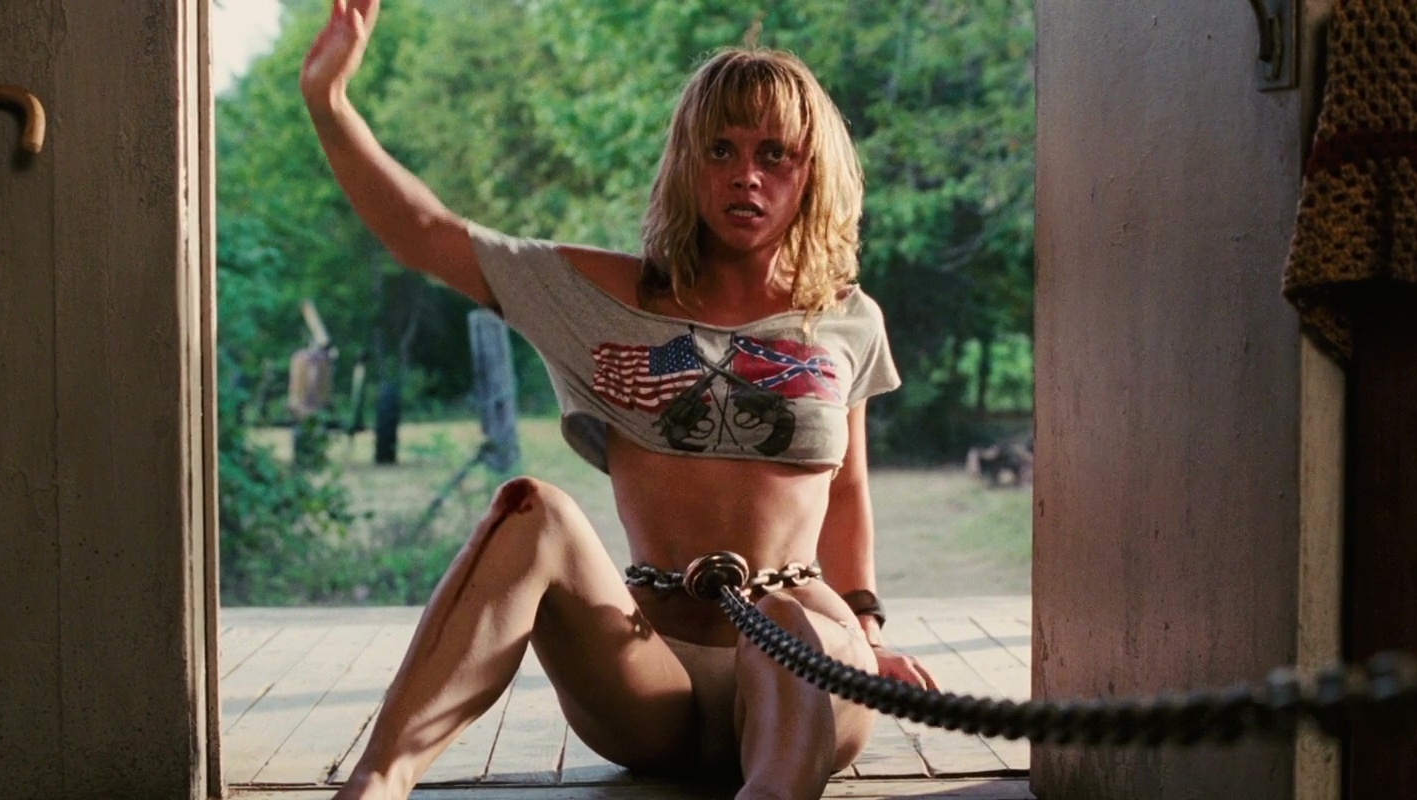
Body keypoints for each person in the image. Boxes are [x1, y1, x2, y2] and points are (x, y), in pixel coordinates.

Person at [298, 1, 937, 798]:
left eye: (775, 153)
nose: (746, 174)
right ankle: (377, 781)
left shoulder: (847, 319)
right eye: (721, 149)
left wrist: (866, 635)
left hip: (803, 661)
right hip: (649, 669)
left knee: (788, 621)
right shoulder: (599, 299)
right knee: (531, 510)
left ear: (812, 172)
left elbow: (846, 493)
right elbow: (424, 232)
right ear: (687, 165)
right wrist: (329, 103)